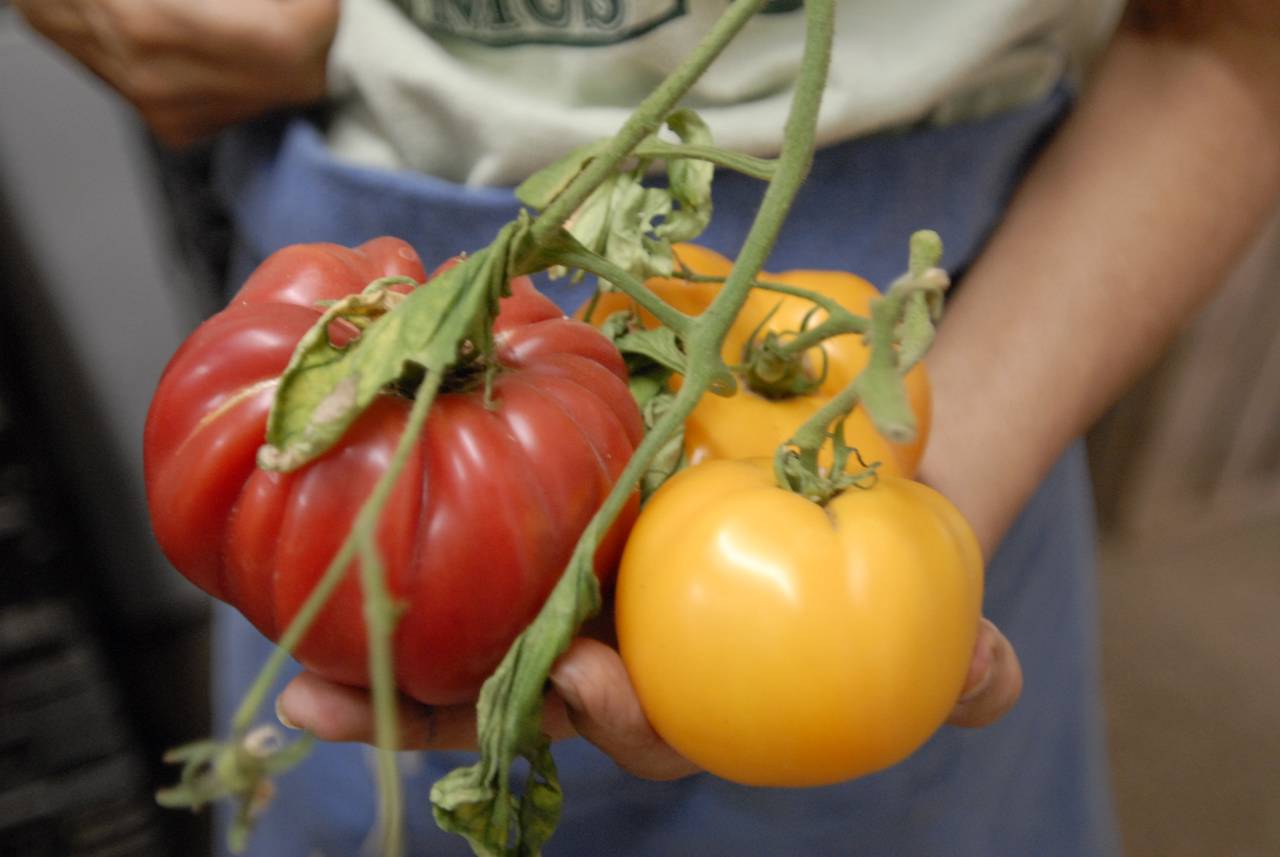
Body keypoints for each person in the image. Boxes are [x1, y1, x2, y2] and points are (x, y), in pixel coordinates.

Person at [14, 0, 1280, 854]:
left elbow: (1228, 37)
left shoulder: (882, 402)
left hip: (986, 339)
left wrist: (941, 481)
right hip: (359, 232)